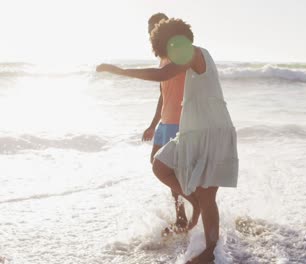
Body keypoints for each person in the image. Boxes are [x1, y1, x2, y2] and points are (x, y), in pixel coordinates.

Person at [97, 18, 239, 264]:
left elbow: (162, 74)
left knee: (208, 196)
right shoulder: (192, 54)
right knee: (160, 165)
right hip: (195, 131)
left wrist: (120, 71)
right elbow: (165, 83)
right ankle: (195, 204)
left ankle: (210, 252)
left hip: (211, 130)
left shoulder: (194, 53)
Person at [142, 12, 188, 231]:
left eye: (155, 28)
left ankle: (186, 212)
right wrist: (153, 124)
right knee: (156, 163)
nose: (151, 32)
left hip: (177, 121)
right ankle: (185, 210)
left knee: (169, 169)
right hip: (164, 121)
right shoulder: (162, 58)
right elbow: (162, 94)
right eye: (150, 28)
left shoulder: (178, 54)